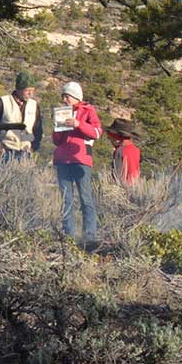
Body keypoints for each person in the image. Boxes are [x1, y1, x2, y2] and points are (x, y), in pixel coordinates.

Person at [51, 80, 102, 249]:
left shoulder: (88, 111)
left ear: (75, 97)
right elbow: (56, 141)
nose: (64, 100)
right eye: (63, 96)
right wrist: (58, 127)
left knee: (85, 198)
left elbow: (97, 132)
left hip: (81, 161)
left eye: (67, 96)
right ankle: (68, 236)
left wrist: (79, 124)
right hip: (62, 160)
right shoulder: (62, 112)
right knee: (66, 200)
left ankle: (90, 236)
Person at [0, 72, 42, 161]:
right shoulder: (3, 102)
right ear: (18, 89)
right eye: (27, 90)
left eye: (32, 90)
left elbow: (37, 129)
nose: (30, 94)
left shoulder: (34, 105)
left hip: (26, 152)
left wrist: (34, 147)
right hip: (5, 152)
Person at [108, 118, 141, 185]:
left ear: (117, 138)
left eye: (110, 138)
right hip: (135, 188)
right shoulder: (136, 150)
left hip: (122, 188)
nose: (109, 140)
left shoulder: (119, 151)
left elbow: (117, 176)